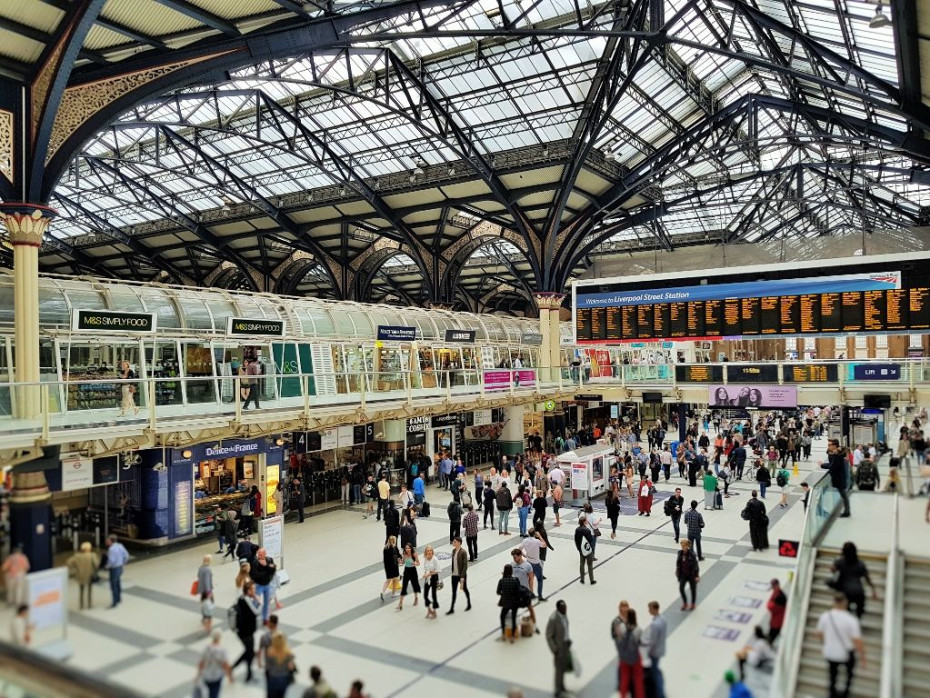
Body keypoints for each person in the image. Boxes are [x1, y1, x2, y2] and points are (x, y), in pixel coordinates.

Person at [815, 592, 866, 698]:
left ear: (833, 602)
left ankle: (832, 694)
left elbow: (818, 634)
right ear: (845, 603)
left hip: (830, 652)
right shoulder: (851, 620)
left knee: (832, 676)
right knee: (849, 675)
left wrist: (825, 642)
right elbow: (857, 640)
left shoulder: (825, 616)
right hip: (845, 653)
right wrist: (863, 657)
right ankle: (845, 693)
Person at [830, 542, 878, 618]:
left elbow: (832, 569)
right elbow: (867, 578)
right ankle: (857, 619)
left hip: (845, 592)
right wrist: (873, 590)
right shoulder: (860, 564)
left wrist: (839, 559)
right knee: (859, 611)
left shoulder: (840, 561)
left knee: (846, 612)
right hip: (858, 592)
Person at [231, 580, 261, 683]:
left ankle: (249, 675)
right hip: (246, 632)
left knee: (249, 652)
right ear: (248, 591)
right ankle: (233, 668)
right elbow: (256, 612)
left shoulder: (241, 598)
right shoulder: (248, 600)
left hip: (243, 631)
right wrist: (258, 601)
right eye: (253, 589)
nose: (255, 591)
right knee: (249, 652)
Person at [612, 606, 645, 698]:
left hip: (624, 658)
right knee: (638, 680)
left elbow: (618, 639)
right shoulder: (638, 629)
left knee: (624, 679)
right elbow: (641, 642)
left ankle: (622, 696)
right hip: (635, 657)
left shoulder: (622, 627)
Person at [545, 600, 572, 698]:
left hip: (565, 645)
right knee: (558, 669)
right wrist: (554, 648)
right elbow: (548, 635)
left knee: (563, 667)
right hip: (558, 648)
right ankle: (558, 690)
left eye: (565, 607)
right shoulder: (553, 619)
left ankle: (562, 686)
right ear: (558, 609)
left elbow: (565, 628)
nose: (565, 609)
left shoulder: (564, 615)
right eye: (563, 608)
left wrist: (568, 640)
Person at [197, 628, 233, 698]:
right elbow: (226, 665)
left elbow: (201, 663)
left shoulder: (206, 648)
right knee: (214, 694)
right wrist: (230, 676)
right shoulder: (222, 650)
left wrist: (198, 675)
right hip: (216, 676)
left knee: (208, 692)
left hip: (206, 675)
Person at [821, 439, 851, 517]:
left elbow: (833, 466)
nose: (828, 446)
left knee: (843, 494)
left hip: (839, 478)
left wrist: (822, 465)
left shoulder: (837, 455)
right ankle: (846, 511)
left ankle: (847, 512)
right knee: (843, 494)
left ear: (834, 446)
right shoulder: (836, 453)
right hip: (838, 477)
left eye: (829, 445)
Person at [644, 601, 667, 698]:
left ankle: (660, 694)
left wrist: (648, 651)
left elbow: (652, 641)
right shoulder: (663, 620)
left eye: (650, 608)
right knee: (656, 670)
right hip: (661, 648)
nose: (649, 610)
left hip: (655, 652)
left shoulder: (655, 624)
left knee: (654, 673)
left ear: (654, 609)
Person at [67, 541, 99, 610]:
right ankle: (89, 604)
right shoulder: (92, 555)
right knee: (89, 590)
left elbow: (69, 562)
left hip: (81, 575)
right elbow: (96, 565)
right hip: (90, 575)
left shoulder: (77, 556)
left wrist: (75, 567)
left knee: (81, 590)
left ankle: (81, 605)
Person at [264, 632, 296, 698]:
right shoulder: (288, 652)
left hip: (273, 677)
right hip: (284, 678)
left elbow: (267, 665)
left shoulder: (270, 651)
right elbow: (291, 667)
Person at [248, 548, 276, 622]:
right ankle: (251, 616)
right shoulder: (255, 562)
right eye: (258, 554)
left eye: (261, 555)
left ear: (265, 554)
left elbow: (273, 570)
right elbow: (255, 574)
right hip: (258, 585)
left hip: (267, 584)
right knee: (255, 601)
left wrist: (266, 566)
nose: (259, 556)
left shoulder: (269, 560)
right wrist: (267, 572)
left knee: (267, 602)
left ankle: (265, 618)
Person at [496, 564, 522, 642]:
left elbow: (498, 592)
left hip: (505, 602)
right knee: (513, 618)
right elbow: (518, 591)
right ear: (511, 571)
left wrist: (504, 594)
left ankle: (504, 634)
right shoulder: (516, 580)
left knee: (502, 617)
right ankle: (512, 637)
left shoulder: (501, 580)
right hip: (514, 602)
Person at [447, 536, 471, 614]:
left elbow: (465, 565)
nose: (453, 543)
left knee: (465, 589)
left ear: (459, 543)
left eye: (455, 542)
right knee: (454, 591)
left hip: (461, 575)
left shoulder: (463, 552)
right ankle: (452, 608)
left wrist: (462, 577)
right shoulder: (453, 551)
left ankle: (469, 603)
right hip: (454, 575)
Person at [105, 535, 129, 607]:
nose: (106, 542)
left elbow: (111, 561)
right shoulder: (120, 546)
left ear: (111, 541)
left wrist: (107, 566)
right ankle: (119, 598)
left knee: (113, 585)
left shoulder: (111, 549)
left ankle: (115, 602)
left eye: (108, 540)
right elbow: (126, 555)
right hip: (120, 567)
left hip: (114, 568)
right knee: (118, 583)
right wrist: (123, 562)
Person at [675, 539, 700, 610]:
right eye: (681, 546)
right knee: (681, 588)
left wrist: (697, 575)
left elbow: (696, 565)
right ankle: (685, 603)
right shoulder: (680, 553)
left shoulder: (692, 554)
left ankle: (692, 603)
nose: (682, 547)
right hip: (683, 574)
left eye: (684, 546)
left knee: (693, 589)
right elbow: (678, 563)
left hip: (691, 574)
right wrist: (677, 570)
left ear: (687, 546)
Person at [396, 543, 420, 610]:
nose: (407, 549)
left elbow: (418, 563)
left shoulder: (414, 554)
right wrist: (400, 562)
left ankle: (416, 598)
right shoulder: (404, 555)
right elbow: (403, 563)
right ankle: (400, 604)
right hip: (406, 571)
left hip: (413, 571)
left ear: (411, 548)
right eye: (406, 548)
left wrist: (414, 563)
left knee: (415, 585)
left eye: (409, 548)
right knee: (404, 587)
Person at [575, 514, 596, 585]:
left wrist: (578, 548)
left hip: (581, 549)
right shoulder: (587, 530)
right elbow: (590, 540)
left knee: (582, 564)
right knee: (590, 565)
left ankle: (582, 579)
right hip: (587, 549)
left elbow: (576, 540)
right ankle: (591, 579)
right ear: (584, 522)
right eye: (586, 520)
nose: (587, 521)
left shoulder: (577, 529)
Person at [421, 545, 440, 620]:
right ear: (426, 552)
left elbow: (438, 570)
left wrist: (429, 573)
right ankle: (429, 610)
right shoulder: (425, 559)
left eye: (430, 550)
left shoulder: (435, 559)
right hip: (427, 578)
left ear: (432, 551)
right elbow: (425, 568)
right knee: (425, 595)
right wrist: (425, 574)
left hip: (434, 578)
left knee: (433, 595)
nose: (429, 552)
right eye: (428, 551)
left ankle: (434, 611)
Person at [380, 536, 401, 602]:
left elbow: (385, 560)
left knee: (388, 580)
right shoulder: (394, 547)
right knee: (396, 579)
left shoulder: (385, 548)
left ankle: (383, 592)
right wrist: (399, 559)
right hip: (394, 566)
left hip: (387, 567)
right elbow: (398, 555)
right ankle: (393, 593)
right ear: (394, 541)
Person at [198, 554, 215, 632]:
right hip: (207, 591)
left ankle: (204, 618)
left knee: (204, 604)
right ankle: (208, 624)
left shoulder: (201, 568)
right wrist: (209, 593)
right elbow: (207, 581)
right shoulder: (207, 569)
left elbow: (198, 576)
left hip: (201, 590)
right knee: (209, 606)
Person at [767, 578, 787, 644]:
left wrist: (770, 602)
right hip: (774, 621)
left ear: (777, 585)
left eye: (773, 586)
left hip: (777, 623)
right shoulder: (776, 593)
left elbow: (770, 607)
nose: (772, 588)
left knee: (770, 638)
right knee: (770, 637)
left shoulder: (780, 597)